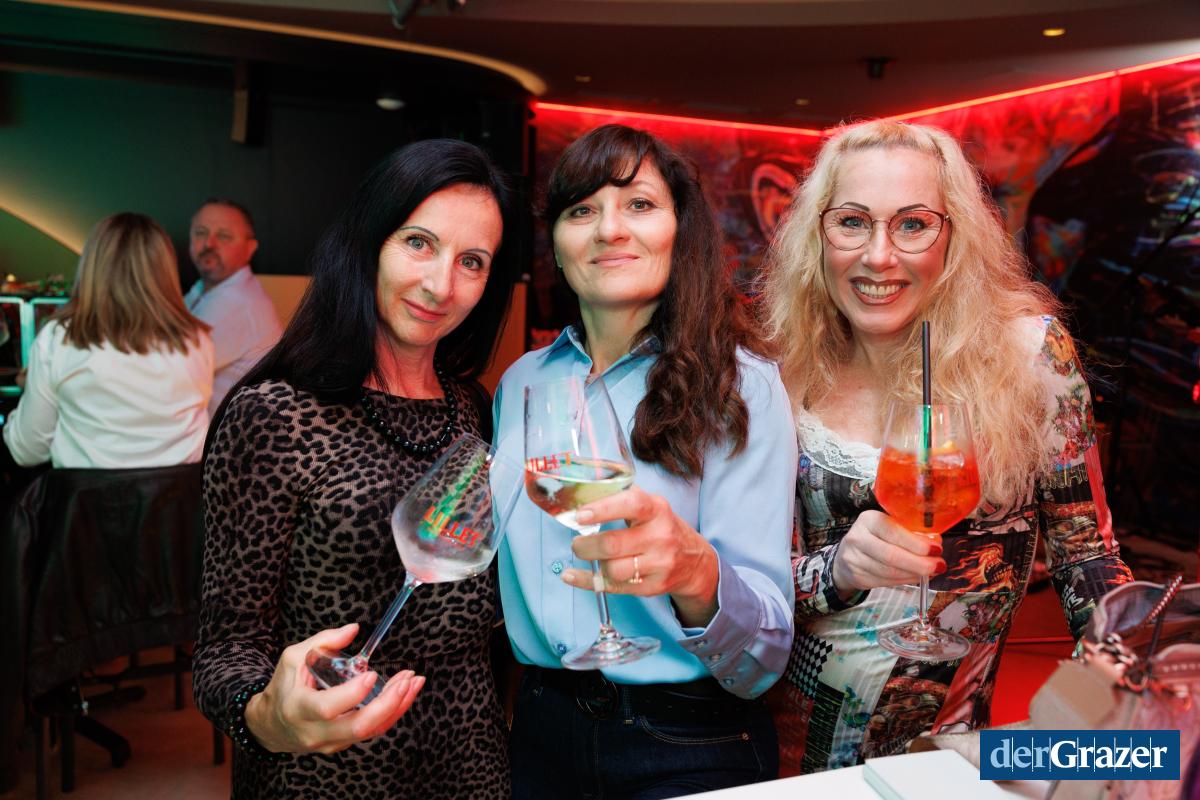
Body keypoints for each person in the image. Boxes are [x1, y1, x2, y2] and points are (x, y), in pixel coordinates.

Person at [760, 119, 1134, 773]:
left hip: (946, 757)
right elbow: (745, 589)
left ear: (953, 236)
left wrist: (1117, 684)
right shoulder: (780, 366)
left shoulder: (1028, 355)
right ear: (818, 234)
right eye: (852, 222)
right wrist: (838, 570)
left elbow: (1087, 557)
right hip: (786, 748)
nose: (879, 256)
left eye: (913, 224)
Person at [191, 140, 520, 798]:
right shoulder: (276, 415)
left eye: (472, 261)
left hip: (472, 764)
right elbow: (226, 649)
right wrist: (271, 717)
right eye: (418, 243)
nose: (441, 285)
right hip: (324, 773)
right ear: (369, 241)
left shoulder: (475, 409)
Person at [494, 124, 796, 798]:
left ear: (678, 231)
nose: (609, 229)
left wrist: (695, 572)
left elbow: (764, 658)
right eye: (582, 210)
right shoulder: (521, 383)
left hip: (687, 740)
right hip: (539, 727)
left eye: (639, 204)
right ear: (557, 245)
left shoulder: (742, 386)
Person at [2, 212, 212, 468]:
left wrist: (31, 391)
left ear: (92, 266)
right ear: (165, 269)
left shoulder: (59, 338)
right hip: (183, 494)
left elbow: (26, 452)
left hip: (87, 495)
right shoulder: (198, 341)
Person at [184, 198, 282, 415]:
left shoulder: (239, 302)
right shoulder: (203, 289)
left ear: (250, 249)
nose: (209, 244)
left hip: (225, 435)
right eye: (200, 232)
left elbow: (170, 372)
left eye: (224, 236)